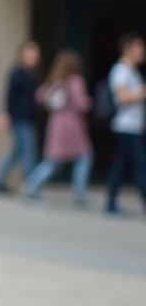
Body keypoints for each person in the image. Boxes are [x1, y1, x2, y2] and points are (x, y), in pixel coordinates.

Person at [23, 50, 92, 205]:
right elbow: (82, 105)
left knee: (53, 160)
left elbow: (39, 96)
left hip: (56, 124)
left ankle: (31, 185)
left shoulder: (55, 81)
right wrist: (88, 102)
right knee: (84, 157)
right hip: (73, 125)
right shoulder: (76, 81)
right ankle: (79, 194)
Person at [0, 41, 41, 194]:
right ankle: (31, 187)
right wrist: (5, 115)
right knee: (28, 153)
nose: (33, 57)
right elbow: (9, 95)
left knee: (17, 152)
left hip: (29, 118)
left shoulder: (33, 74)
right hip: (20, 118)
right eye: (30, 54)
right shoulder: (17, 73)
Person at [106, 33, 146, 215]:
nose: (142, 51)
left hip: (134, 126)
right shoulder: (120, 71)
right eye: (139, 48)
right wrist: (142, 93)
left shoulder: (133, 71)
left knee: (121, 165)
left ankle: (111, 203)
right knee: (140, 165)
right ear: (128, 50)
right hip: (126, 126)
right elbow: (122, 97)